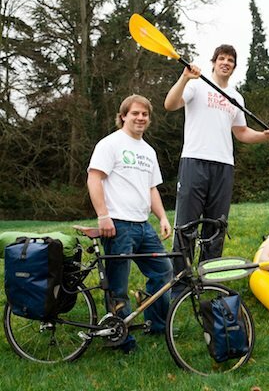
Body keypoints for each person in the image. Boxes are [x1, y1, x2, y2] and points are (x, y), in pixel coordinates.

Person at [164, 44, 269, 292]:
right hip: (195, 161)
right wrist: (184, 77)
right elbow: (170, 104)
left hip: (224, 166)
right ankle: (181, 286)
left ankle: (209, 281)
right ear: (214, 62)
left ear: (234, 67)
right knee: (186, 226)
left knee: (216, 226)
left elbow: (241, 132)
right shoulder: (196, 85)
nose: (226, 63)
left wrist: (265, 136)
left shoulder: (236, 98)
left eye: (230, 60)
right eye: (222, 59)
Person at [87, 94, 173, 353]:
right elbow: (94, 178)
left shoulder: (148, 151)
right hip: (118, 225)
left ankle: (157, 325)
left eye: (145, 114)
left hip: (143, 225)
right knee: (118, 286)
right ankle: (120, 339)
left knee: (163, 271)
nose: (140, 118)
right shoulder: (110, 144)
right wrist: (103, 216)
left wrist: (162, 217)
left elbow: (151, 188)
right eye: (135, 113)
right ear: (123, 115)